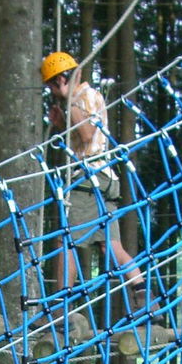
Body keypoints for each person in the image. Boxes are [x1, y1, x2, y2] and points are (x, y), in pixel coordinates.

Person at [41, 51, 145, 292]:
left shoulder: (81, 97)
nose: (52, 93)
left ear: (60, 80)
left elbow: (87, 136)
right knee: (110, 246)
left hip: (89, 178)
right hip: (105, 176)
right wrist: (61, 124)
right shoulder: (88, 97)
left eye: (52, 86)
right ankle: (143, 296)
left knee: (65, 240)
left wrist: (67, 99)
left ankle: (59, 308)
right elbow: (85, 133)